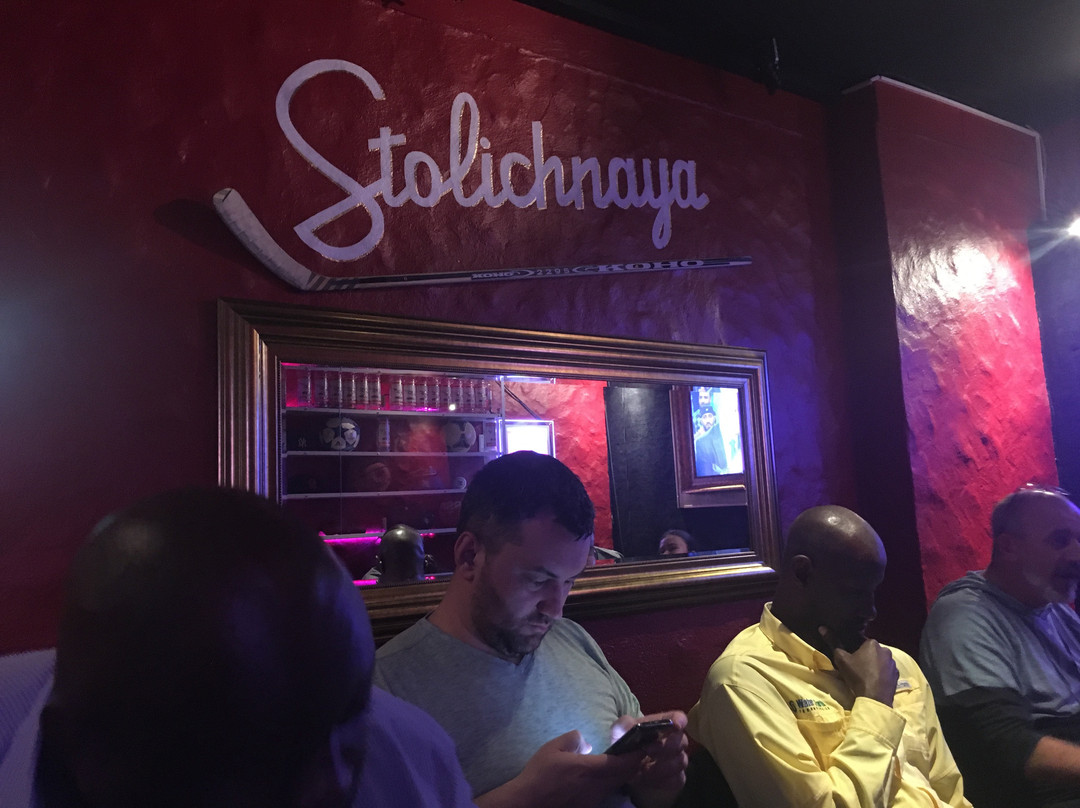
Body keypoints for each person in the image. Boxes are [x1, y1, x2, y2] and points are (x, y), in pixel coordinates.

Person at [0, 486, 475, 808]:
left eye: (350, 710)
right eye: (270, 751)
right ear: (80, 749)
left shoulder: (414, 759)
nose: (333, 783)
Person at [374, 451, 689, 808]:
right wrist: (525, 798)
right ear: (469, 556)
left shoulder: (573, 639)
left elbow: (651, 798)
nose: (556, 610)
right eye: (538, 580)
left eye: (569, 582)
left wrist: (655, 782)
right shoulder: (383, 689)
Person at [687, 505, 971, 808]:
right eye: (855, 592)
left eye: (874, 591)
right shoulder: (743, 680)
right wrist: (874, 704)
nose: (871, 611)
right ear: (802, 573)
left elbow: (950, 793)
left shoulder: (897, 665)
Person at [920, 484, 1080, 808]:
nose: (1076, 554)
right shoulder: (965, 616)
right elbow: (1006, 746)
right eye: (1060, 540)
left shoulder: (1055, 609)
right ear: (1008, 547)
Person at [692, 407, 727, 477]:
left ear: (714, 418)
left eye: (710, 416)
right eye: (704, 417)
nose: (708, 420)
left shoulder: (722, 435)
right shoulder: (698, 441)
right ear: (701, 421)